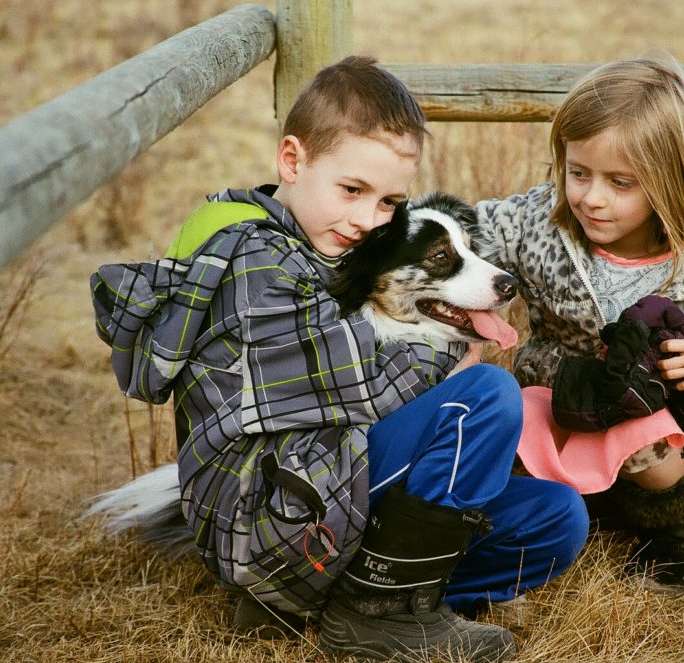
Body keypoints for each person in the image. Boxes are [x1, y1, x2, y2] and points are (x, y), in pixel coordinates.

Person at [90, 55, 588, 662]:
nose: (366, 219)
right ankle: (376, 617)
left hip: (324, 490)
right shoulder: (257, 264)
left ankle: (349, 599)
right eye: (352, 190)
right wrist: (456, 342)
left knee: (557, 518)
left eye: (387, 202)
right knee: (484, 397)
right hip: (269, 518)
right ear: (292, 161)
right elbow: (363, 384)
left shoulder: (323, 249)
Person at [472, 56, 684, 594]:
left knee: (645, 433)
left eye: (621, 182)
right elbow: (465, 235)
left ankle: (672, 538)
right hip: (563, 407)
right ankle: (545, 515)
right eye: (578, 172)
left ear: (671, 180)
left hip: (660, 437)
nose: (591, 197)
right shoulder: (540, 224)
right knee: (501, 410)